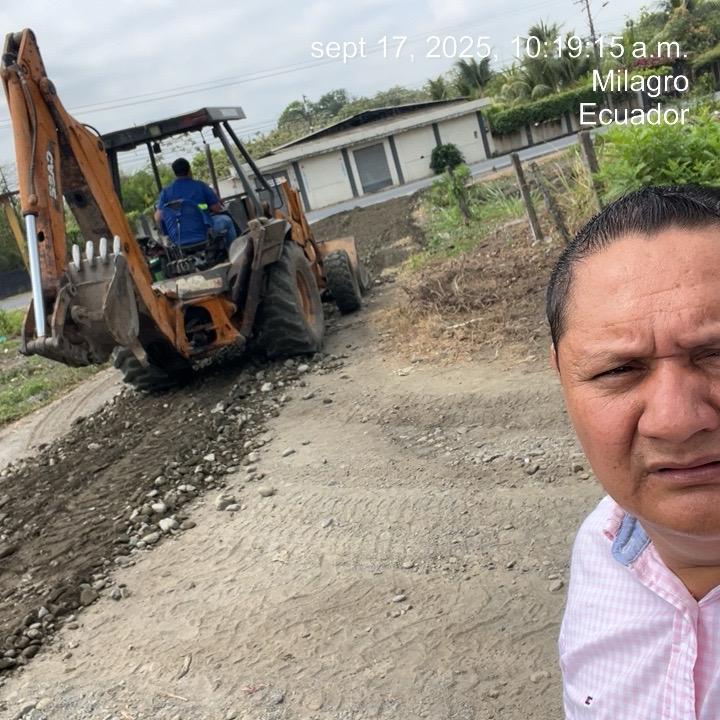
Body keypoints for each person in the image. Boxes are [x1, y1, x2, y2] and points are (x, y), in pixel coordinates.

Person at [548, 185, 720, 719]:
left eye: (717, 353)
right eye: (619, 370)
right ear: (562, 377)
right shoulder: (601, 545)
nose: (676, 421)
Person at [154, 157, 236, 248]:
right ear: (189, 170)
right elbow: (216, 208)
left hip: (178, 239)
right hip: (203, 233)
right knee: (227, 220)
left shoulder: (165, 192)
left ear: (175, 173)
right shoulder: (200, 186)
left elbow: (158, 217)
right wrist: (206, 205)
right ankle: (233, 252)